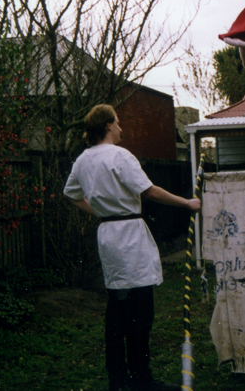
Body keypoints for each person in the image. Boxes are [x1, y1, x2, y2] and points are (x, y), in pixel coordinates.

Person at [63, 105, 200, 391]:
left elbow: (71, 194)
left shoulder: (82, 160)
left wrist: (101, 211)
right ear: (109, 125)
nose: (121, 128)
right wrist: (187, 203)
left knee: (117, 308)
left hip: (108, 234)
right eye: (119, 122)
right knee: (139, 309)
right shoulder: (120, 156)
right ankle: (141, 378)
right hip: (128, 236)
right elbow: (149, 190)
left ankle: (119, 379)